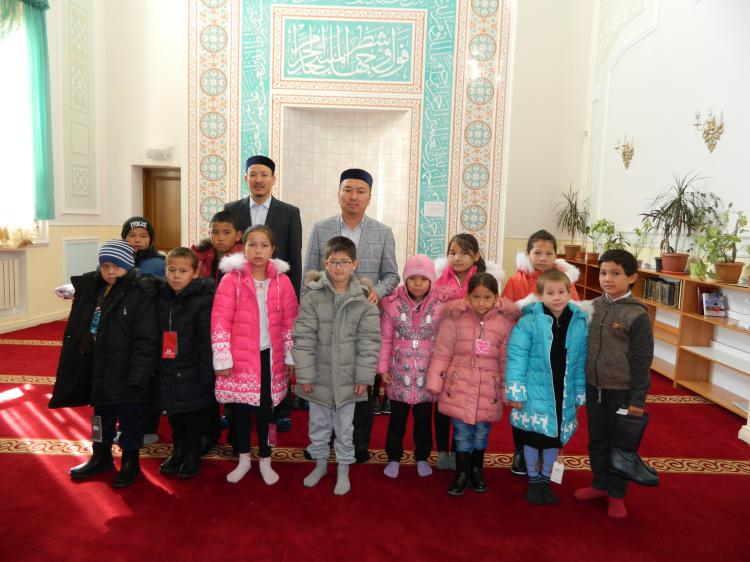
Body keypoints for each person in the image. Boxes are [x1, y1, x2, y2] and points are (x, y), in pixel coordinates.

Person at [303, 168, 399, 463]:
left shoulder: (383, 232)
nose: (353, 196)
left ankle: (358, 444)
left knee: (361, 381)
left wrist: (376, 292)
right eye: (348, 190)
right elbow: (309, 274)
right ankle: (323, 441)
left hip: (363, 320)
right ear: (339, 194)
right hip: (327, 319)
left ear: (369, 197)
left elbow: (391, 275)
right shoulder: (321, 229)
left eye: (360, 191)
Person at [49, 240, 160, 488]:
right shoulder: (96, 288)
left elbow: (147, 339)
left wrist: (140, 375)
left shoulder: (140, 293)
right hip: (98, 366)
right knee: (100, 417)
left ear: (128, 266)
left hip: (127, 371)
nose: (110, 272)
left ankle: (130, 461)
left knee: (130, 419)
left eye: (116, 267)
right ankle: (101, 456)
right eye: (105, 266)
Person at [292, 236, 381, 495]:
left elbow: (369, 343)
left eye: (344, 262)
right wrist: (305, 374)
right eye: (333, 261)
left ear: (355, 264)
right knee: (318, 426)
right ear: (325, 263)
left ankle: (343, 469)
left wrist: (363, 377)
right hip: (318, 377)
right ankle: (320, 464)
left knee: (345, 428)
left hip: (348, 379)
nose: (338, 267)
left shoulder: (364, 302)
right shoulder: (312, 297)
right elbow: (303, 338)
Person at [211, 225, 298, 485]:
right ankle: (243, 459)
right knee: (239, 412)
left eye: (264, 245)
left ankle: (266, 459)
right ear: (244, 247)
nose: (257, 250)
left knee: (266, 412)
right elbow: (220, 321)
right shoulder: (231, 280)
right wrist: (222, 358)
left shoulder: (282, 282)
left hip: (269, 358)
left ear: (273, 249)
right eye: (252, 244)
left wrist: (290, 356)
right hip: (239, 358)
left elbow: (290, 322)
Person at [225, 155, 303, 429]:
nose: (258, 180)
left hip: (276, 295)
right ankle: (235, 410)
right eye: (253, 174)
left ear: (273, 179)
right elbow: (226, 251)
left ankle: (279, 409)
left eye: (264, 175)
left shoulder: (289, 212)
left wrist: (293, 301)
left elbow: (294, 259)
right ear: (246, 177)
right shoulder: (232, 209)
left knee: (275, 355)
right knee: (242, 355)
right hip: (241, 295)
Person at [574, 249, 653, 518]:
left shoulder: (637, 315)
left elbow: (642, 359)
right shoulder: (592, 307)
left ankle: (617, 494)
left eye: (615, 273)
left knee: (620, 445)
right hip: (594, 387)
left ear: (632, 277)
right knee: (597, 439)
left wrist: (637, 399)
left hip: (621, 390)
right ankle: (599, 484)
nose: (607, 279)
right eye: (603, 273)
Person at [426, 272, 517, 496]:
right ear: (468, 296)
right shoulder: (455, 317)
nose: (481, 303)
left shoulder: (505, 322)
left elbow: (507, 359)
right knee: (461, 432)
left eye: (487, 297)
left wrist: (507, 389)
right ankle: (462, 472)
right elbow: (442, 352)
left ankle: (477, 470)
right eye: (476, 297)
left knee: (481, 432)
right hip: (459, 386)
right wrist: (435, 381)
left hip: (488, 388)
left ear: (497, 297)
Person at [505, 269, 589, 505]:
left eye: (561, 292)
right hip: (534, 392)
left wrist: (579, 393)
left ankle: (545, 480)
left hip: (563, 392)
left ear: (569, 293)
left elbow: (581, 361)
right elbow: (517, 357)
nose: (557, 297)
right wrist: (516, 391)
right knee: (533, 437)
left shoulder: (579, 322)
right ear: (540, 295)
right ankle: (533, 480)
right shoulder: (528, 322)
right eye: (550, 293)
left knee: (554, 439)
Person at [501, 229, 580, 476]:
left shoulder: (564, 279)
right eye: (537, 253)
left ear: (556, 255)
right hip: (528, 354)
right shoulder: (516, 280)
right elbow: (506, 313)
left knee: (554, 403)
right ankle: (520, 450)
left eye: (549, 253)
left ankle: (551, 451)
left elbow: (575, 312)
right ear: (528, 254)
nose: (543, 258)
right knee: (523, 404)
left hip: (556, 355)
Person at [432, 233, 504, 470]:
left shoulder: (484, 280)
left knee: (463, 403)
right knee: (442, 402)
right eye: (452, 253)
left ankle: (460, 454)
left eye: (464, 253)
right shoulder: (439, 280)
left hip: (470, 351)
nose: (457, 258)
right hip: (443, 346)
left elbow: (493, 310)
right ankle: (443, 451)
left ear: (475, 256)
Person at [155, 247, 216, 479]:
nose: (176, 276)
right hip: (168, 366)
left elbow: (206, 340)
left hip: (193, 370)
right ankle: (178, 450)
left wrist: (206, 373)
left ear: (195, 272)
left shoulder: (203, 300)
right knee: (174, 414)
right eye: (171, 270)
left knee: (192, 416)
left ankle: (192, 453)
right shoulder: (161, 296)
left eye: (183, 271)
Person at [378, 254, 440, 479]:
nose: (417, 283)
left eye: (423, 279)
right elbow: (385, 339)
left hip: (427, 375)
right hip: (398, 373)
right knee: (397, 421)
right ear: (405, 279)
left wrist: (439, 372)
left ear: (431, 281)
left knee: (424, 422)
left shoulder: (440, 305)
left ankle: (422, 456)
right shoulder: (392, 304)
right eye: (412, 278)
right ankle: (394, 457)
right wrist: (383, 368)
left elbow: (444, 341)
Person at [121, 216, 165, 446]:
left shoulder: (159, 263)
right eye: (132, 235)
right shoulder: (115, 260)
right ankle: (125, 425)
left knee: (148, 379)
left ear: (151, 239)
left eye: (143, 236)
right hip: (122, 332)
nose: (137, 240)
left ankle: (149, 426)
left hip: (150, 330)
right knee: (123, 379)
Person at [191, 210, 244, 284]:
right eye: (215, 232)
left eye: (226, 233)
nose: (220, 238)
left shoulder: (245, 259)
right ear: (209, 234)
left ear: (238, 236)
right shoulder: (200, 256)